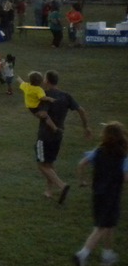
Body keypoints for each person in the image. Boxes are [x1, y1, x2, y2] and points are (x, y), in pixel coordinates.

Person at [73, 122, 128, 266]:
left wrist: (82, 181)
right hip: (112, 196)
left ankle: (107, 254)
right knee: (101, 227)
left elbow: (81, 164)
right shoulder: (123, 155)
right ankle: (82, 254)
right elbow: (125, 178)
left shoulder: (98, 151)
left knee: (109, 224)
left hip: (98, 194)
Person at [34, 70, 91, 203]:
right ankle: (49, 191)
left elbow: (43, 114)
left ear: (47, 81)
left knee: (42, 164)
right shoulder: (66, 96)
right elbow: (81, 110)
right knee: (50, 163)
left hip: (45, 135)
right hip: (58, 136)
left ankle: (61, 185)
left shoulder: (46, 96)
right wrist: (86, 127)